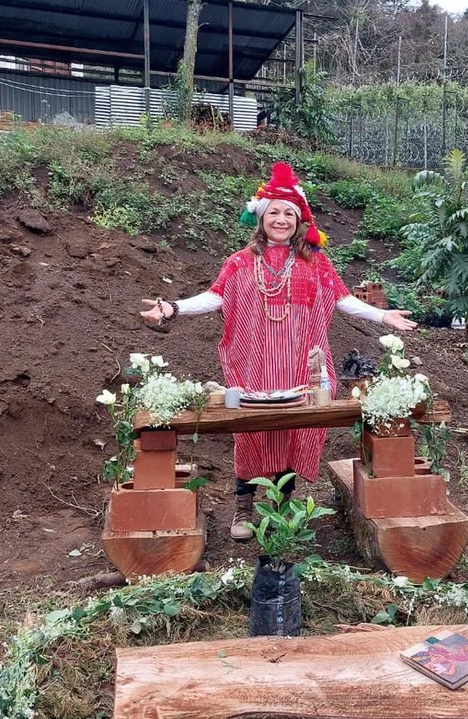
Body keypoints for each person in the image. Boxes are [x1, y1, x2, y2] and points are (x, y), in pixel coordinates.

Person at [140, 162, 416, 540]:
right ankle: (243, 509)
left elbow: (343, 300)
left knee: (292, 432)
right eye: (274, 212)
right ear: (261, 217)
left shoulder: (314, 262)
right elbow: (214, 297)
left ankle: (283, 508)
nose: (281, 219)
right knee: (250, 433)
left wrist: (384, 317)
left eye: (289, 213)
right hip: (253, 369)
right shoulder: (238, 262)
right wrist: (172, 307)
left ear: (300, 220)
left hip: (300, 369)